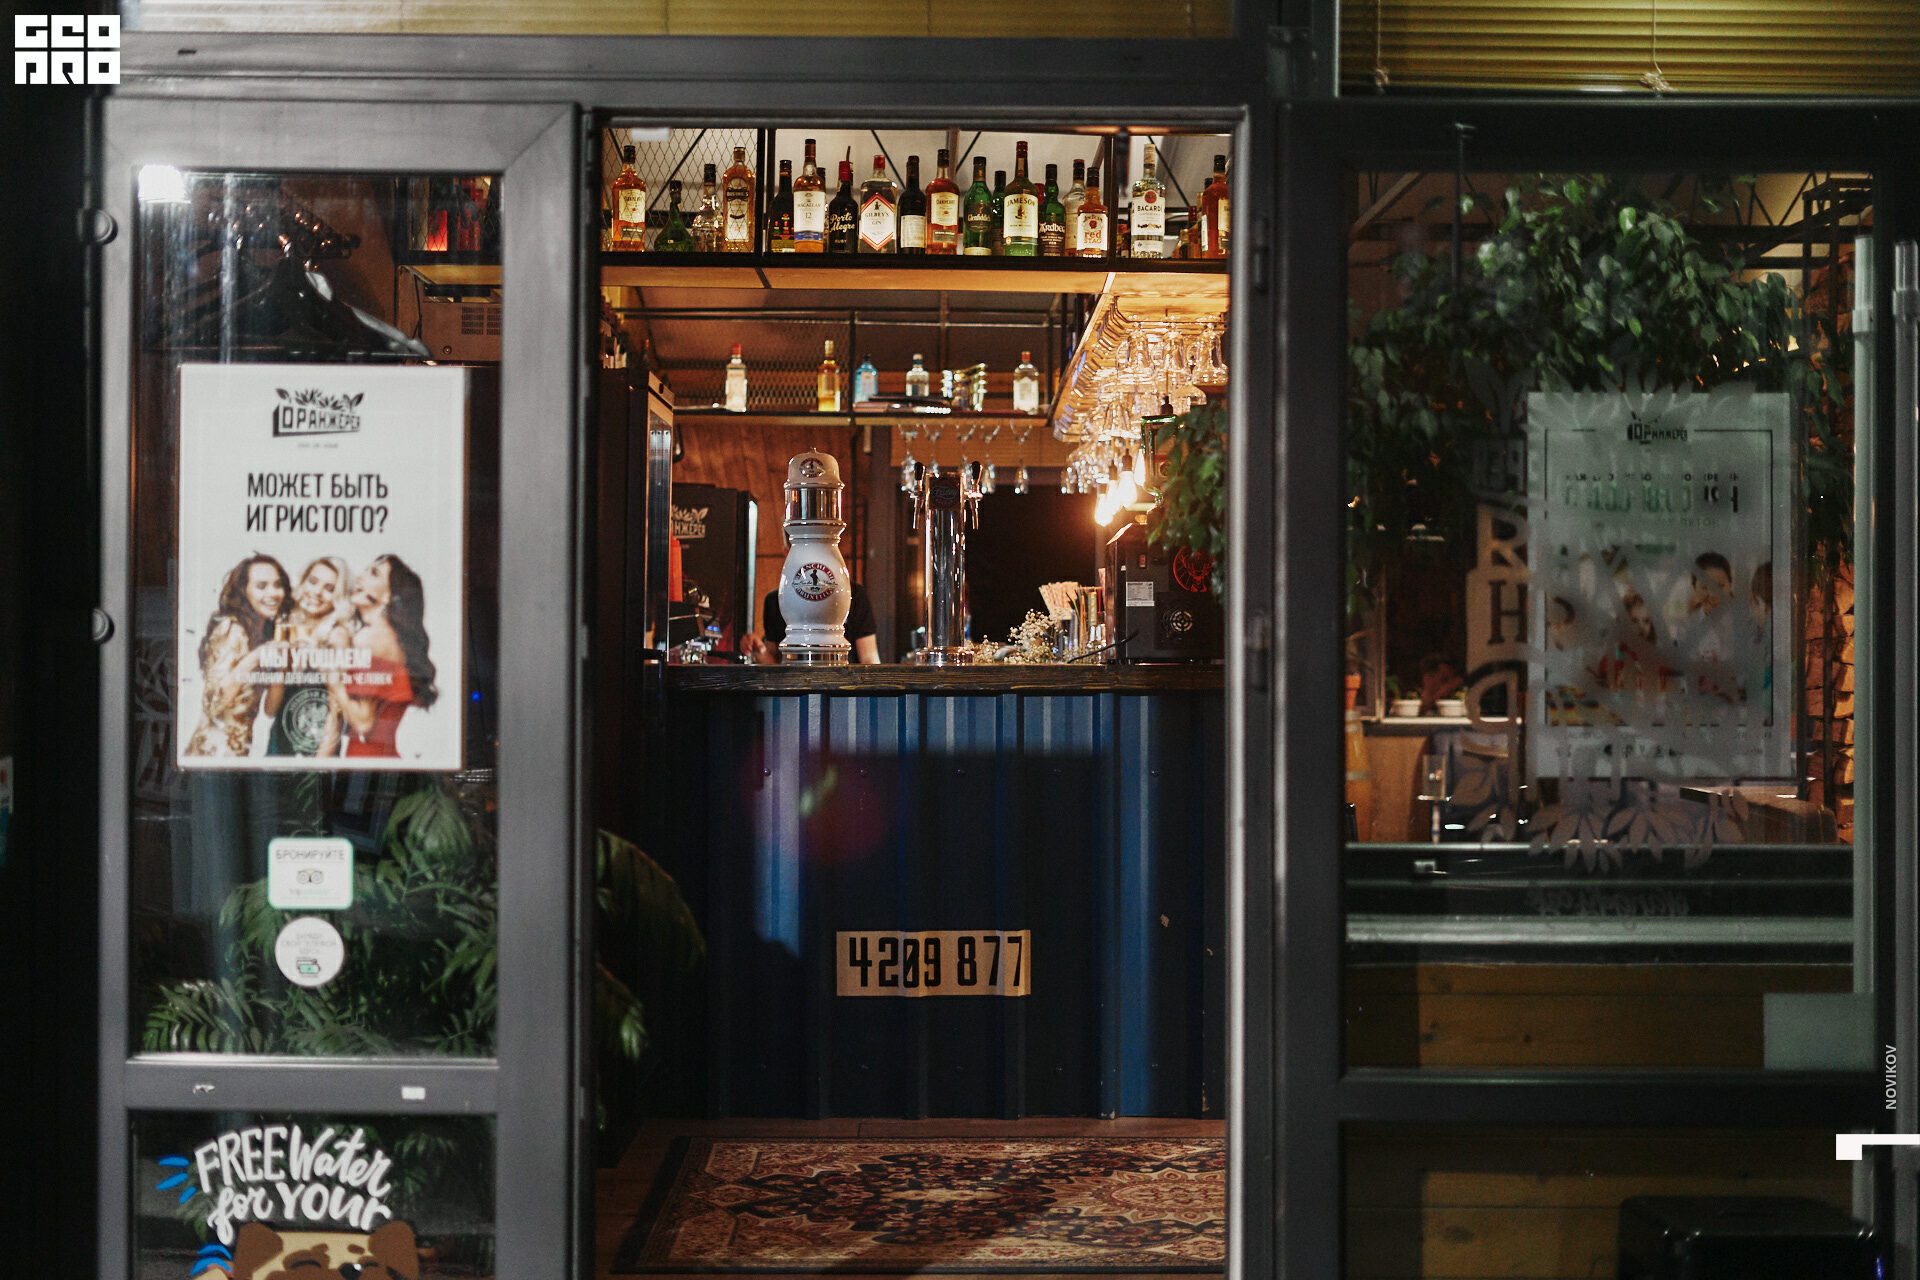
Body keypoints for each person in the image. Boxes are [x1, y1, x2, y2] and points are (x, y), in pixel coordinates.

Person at [322, 554, 439, 758]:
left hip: (367, 762)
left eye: (374, 574)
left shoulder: (370, 639)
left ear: (388, 596)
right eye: (366, 570)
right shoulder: (387, 638)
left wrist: (332, 676)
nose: (361, 576)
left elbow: (363, 722)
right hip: (377, 760)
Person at [184, 554, 290, 757]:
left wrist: (282, 663)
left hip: (238, 753)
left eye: (277, 585)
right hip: (211, 753)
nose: (273, 593)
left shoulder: (264, 634)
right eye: (261, 586)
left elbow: (270, 710)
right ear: (244, 591)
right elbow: (213, 703)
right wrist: (255, 657)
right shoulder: (232, 628)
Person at [262, 555, 349, 757]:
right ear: (302, 583)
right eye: (313, 581)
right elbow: (270, 710)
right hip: (279, 743)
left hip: (319, 747)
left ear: (338, 596)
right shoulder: (285, 626)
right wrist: (283, 664)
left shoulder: (337, 635)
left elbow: (336, 713)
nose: (317, 592)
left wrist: (319, 766)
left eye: (329, 588)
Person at [744, 582, 880, 664]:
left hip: (844, 690)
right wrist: (759, 651)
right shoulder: (775, 600)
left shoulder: (853, 594)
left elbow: (869, 660)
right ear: (787, 552)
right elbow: (774, 663)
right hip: (793, 689)